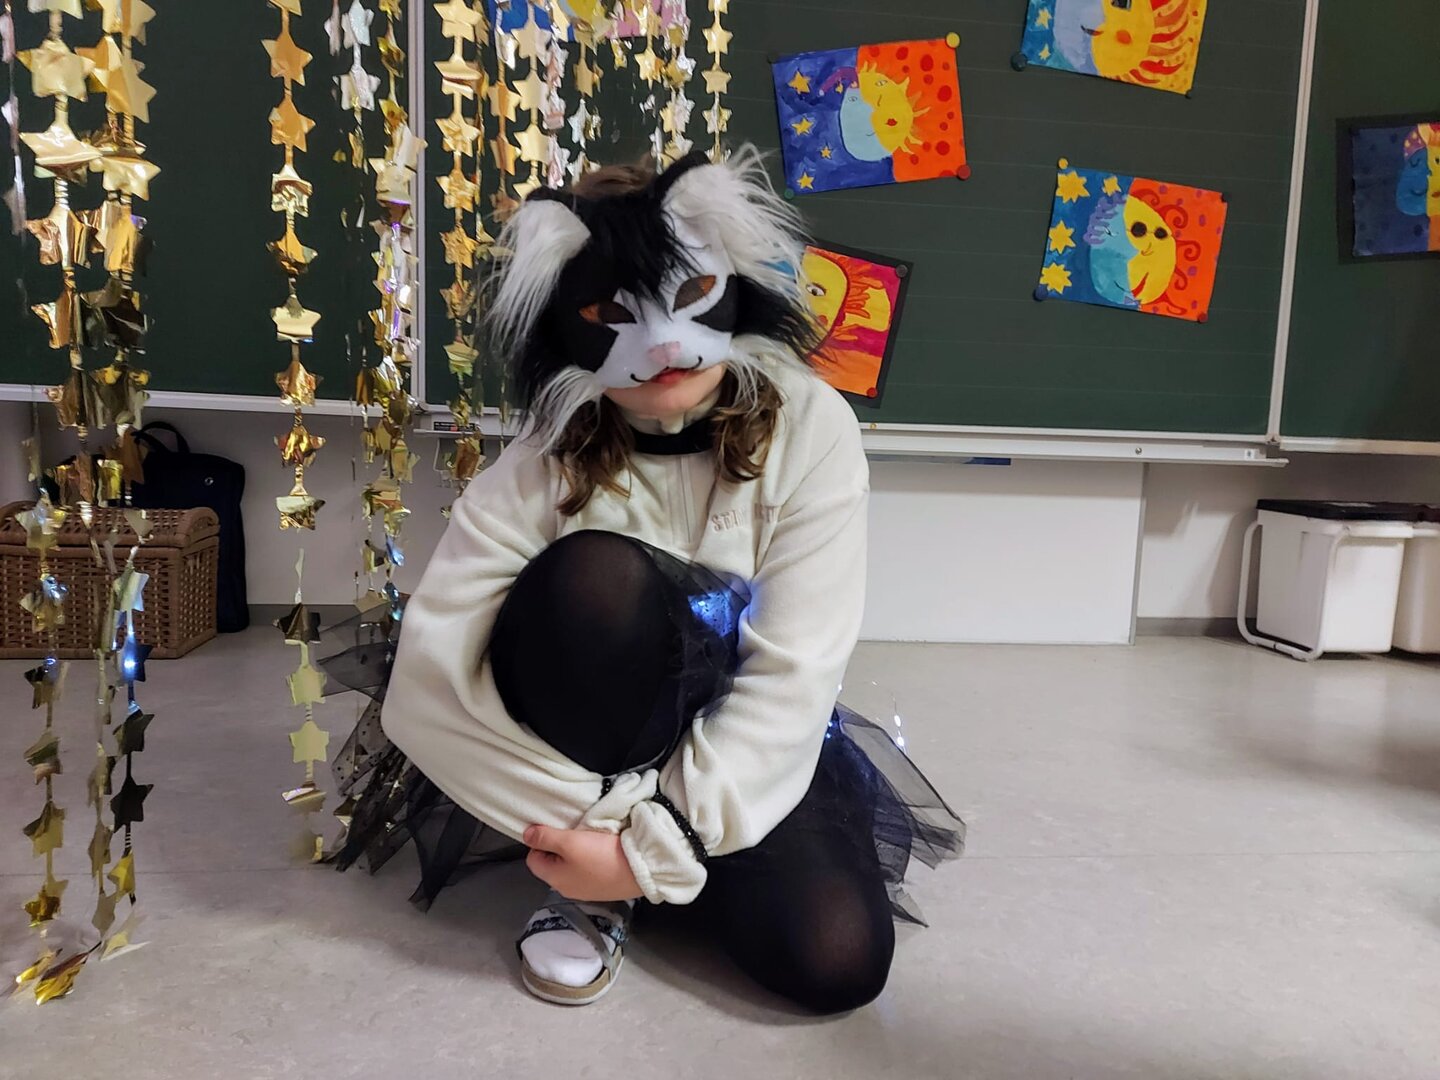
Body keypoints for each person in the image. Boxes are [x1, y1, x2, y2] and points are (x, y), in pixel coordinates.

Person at [323, 147, 963, 1013]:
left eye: (689, 295)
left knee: (836, 958)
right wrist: (601, 835)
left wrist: (658, 846)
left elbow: (797, 666)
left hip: (735, 732)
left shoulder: (812, 427)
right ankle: (594, 890)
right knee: (597, 579)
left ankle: (663, 863)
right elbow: (430, 672)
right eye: (613, 313)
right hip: (585, 742)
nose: (662, 345)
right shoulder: (547, 452)